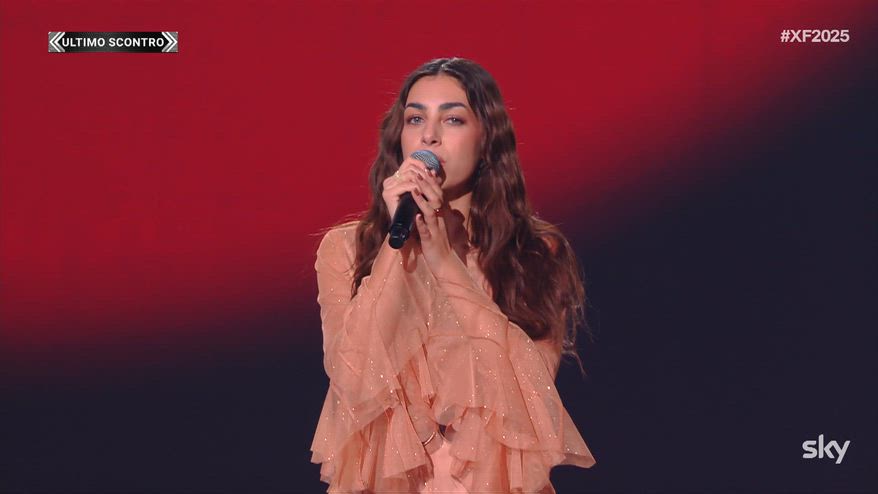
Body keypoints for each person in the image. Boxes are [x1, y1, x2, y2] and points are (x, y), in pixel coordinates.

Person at [310, 57, 596, 493]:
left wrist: (445, 263)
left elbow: (533, 397)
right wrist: (397, 246)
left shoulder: (532, 253)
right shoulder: (346, 249)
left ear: (487, 139)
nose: (429, 136)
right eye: (415, 119)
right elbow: (352, 375)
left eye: (453, 119)